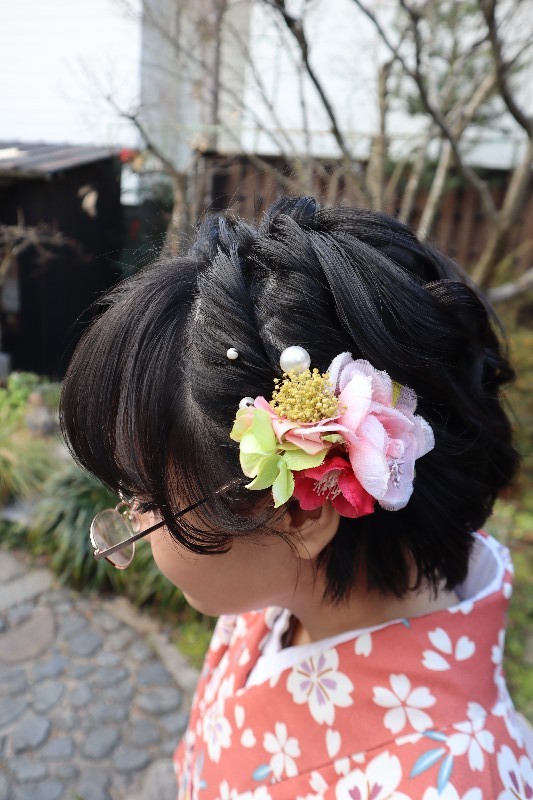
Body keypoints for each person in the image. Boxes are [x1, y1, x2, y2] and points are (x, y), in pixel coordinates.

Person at [60, 197, 532, 799]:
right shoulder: (274, 587)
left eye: (146, 499)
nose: (130, 521)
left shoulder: (460, 779)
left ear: (303, 508)